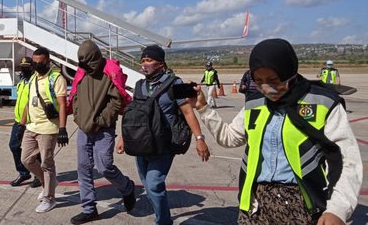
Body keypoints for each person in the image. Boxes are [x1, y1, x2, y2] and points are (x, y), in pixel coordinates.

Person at [193, 38, 362, 224]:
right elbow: (229, 138)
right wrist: (204, 108)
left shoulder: (322, 103)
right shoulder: (255, 104)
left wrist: (337, 209)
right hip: (256, 204)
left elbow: (347, 160)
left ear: (290, 72)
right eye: (258, 81)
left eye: (273, 80)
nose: (266, 88)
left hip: (303, 206)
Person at [117, 45, 211, 225]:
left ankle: (163, 222)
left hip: (164, 144)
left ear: (160, 64)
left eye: (149, 60)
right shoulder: (139, 85)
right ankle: (164, 217)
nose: (144, 64)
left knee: (154, 184)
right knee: (149, 186)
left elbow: (188, 112)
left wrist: (200, 139)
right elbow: (134, 114)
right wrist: (123, 138)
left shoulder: (176, 83)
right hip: (142, 143)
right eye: (143, 60)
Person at [68, 40, 136, 224]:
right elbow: (74, 96)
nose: (85, 66)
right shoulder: (82, 73)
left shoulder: (110, 72)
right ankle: (89, 209)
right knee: (83, 168)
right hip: (83, 127)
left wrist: (100, 121)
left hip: (103, 128)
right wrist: (78, 117)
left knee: (104, 166)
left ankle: (127, 188)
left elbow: (116, 101)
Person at [19, 47, 68, 213]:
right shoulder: (33, 77)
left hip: (48, 128)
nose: (37, 65)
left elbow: (62, 104)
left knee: (47, 164)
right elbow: (28, 101)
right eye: (35, 62)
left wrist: (62, 128)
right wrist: (22, 122)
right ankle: (48, 183)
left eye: (40, 62)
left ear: (48, 61)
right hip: (31, 126)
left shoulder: (56, 78)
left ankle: (49, 198)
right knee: (26, 159)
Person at [8, 56, 41, 188]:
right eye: (22, 67)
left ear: (32, 67)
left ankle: (39, 175)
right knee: (14, 146)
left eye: (26, 67)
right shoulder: (22, 82)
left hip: (31, 121)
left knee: (35, 151)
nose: (24, 69)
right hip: (18, 120)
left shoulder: (36, 81)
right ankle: (23, 172)